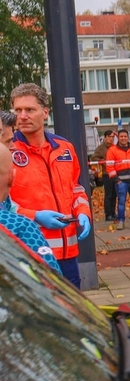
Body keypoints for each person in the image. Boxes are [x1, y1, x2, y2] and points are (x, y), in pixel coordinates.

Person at [8, 83, 92, 287]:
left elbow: (76, 189)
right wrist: (36, 216)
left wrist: (83, 212)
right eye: (17, 110)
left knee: (73, 305)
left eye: (30, 110)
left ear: (45, 113)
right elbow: (4, 205)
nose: (22, 116)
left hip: (67, 254)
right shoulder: (6, 152)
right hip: (29, 251)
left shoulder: (64, 147)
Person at [0, 142, 61, 273]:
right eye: (8, 139)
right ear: (12, 177)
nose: (12, 146)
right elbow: (50, 280)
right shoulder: (21, 227)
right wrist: (34, 216)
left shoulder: (64, 147)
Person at [105, 129, 130, 229]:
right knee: (121, 202)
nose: (123, 138)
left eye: (125, 136)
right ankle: (121, 221)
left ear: (128, 137)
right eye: (121, 136)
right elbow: (109, 165)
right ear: (118, 138)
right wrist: (116, 179)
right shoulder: (112, 150)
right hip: (121, 181)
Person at [92, 130, 116, 221]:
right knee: (108, 194)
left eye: (112, 137)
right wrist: (103, 161)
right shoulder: (101, 148)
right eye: (109, 137)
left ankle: (113, 213)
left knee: (114, 194)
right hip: (106, 174)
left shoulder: (114, 147)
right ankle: (108, 214)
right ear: (105, 137)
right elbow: (94, 157)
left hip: (114, 173)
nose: (111, 139)